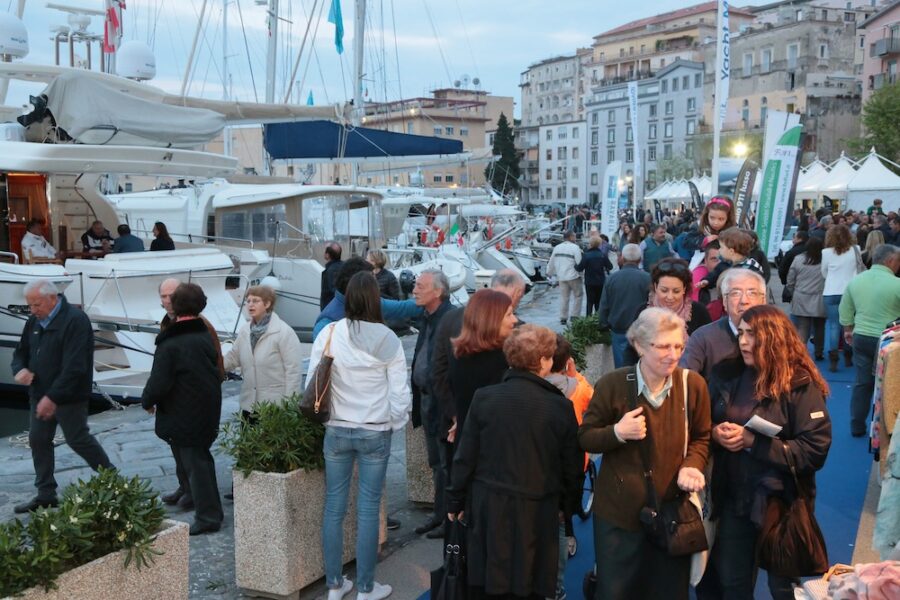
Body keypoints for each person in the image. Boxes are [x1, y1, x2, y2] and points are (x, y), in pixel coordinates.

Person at [578, 308, 711, 600]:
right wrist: (617, 433)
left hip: (672, 513)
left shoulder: (693, 385)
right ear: (639, 345)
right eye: (663, 346)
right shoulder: (612, 384)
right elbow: (585, 437)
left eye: (678, 346)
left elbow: (702, 437)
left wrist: (693, 465)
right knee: (616, 591)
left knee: (668, 592)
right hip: (618, 515)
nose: (672, 354)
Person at [447, 325, 583, 600]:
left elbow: (466, 456)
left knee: (489, 583)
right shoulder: (559, 407)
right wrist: (567, 509)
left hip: (489, 507)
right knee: (530, 584)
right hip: (538, 510)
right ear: (545, 361)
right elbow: (572, 466)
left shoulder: (484, 398)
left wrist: (455, 501)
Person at [705, 305, 831, 599]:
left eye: (753, 335)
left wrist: (754, 442)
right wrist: (715, 432)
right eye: (742, 334)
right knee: (732, 582)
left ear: (773, 338)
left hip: (782, 502)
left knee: (783, 587)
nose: (744, 342)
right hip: (734, 497)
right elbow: (702, 422)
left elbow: (815, 450)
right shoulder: (725, 372)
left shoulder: (799, 384)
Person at [306, 272, 411, 600]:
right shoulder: (388, 339)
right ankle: (366, 589)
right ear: (375, 299)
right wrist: (394, 422)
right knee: (367, 508)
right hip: (374, 431)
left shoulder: (329, 333)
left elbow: (311, 381)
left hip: (336, 429)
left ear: (348, 298)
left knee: (333, 507)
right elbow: (400, 395)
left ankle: (335, 586)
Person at [11, 280, 115, 513]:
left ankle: (112, 479)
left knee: (78, 438)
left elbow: (75, 366)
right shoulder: (33, 322)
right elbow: (21, 353)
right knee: (38, 440)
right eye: (30, 305)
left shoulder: (75, 321)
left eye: (36, 304)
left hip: (69, 396)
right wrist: (19, 369)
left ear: (52, 298)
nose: (32, 310)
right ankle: (45, 493)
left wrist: (53, 398)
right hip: (39, 393)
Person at [141, 283, 224, 536]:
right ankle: (208, 510)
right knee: (200, 462)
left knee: (196, 465)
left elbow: (159, 380)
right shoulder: (202, 335)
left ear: (176, 306)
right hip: (205, 408)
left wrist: (147, 400)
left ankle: (208, 517)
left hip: (184, 412)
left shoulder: (172, 342)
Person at [431, 268, 526, 445]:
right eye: (509, 314)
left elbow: (438, 372)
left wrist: (455, 415)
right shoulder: (519, 333)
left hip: (458, 426)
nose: (513, 319)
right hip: (496, 436)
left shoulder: (450, 319)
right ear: (518, 292)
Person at [546, 335, 594, 600]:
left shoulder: (538, 387)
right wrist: (577, 375)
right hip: (575, 458)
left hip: (545, 460)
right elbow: (593, 399)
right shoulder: (577, 387)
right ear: (567, 363)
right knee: (566, 512)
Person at [408, 270, 455, 538]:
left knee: (447, 464)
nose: (414, 289)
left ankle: (449, 520)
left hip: (443, 404)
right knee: (436, 463)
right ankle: (439, 515)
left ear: (437, 291)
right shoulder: (426, 317)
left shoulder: (450, 318)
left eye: (420, 285)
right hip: (426, 400)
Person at [839, 244, 900, 437]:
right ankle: (885, 429)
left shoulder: (856, 281)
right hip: (888, 341)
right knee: (889, 385)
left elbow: (845, 309)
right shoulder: (896, 284)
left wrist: (848, 328)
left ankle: (857, 424)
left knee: (862, 383)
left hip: (862, 336)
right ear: (890, 261)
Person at [447, 289, 519, 444]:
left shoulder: (460, 353)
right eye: (509, 314)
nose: (515, 319)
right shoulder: (501, 361)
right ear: (492, 319)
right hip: (491, 448)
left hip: (467, 441)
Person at [224, 285, 302, 417]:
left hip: (274, 407)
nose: (250, 305)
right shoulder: (245, 330)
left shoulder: (284, 332)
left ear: (267, 304)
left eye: (255, 301)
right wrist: (211, 366)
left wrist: (289, 405)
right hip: (249, 406)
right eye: (248, 301)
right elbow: (233, 358)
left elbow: (293, 371)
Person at [681, 268, 767, 380]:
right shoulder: (703, 338)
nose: (744, 300)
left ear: (763, 300)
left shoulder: (777, 335)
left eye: (752, 293)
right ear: (724, 302)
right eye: (735, 293)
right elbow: (684, 379)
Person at [313, 258, 423, 340]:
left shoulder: (370, 303)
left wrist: (432, 298)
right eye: (372, 283)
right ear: (358, 286)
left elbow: (405, 307)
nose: (377, 287)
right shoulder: (326, 323)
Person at [599, 243, 651, 367]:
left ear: (622, 258)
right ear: (640, 259)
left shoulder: (612, 278)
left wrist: (604, 324)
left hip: (619, 328)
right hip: (642, 329)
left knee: (622, 368)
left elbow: (604, 305)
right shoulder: (648, 278)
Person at [821, 224, 860, 372]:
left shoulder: (826, 252)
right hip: (849, 291)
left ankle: (833, 358)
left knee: (833, 326)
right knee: (849, 324)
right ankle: (848, 354)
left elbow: (824, 273)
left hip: (830, 291)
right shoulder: (855, 250)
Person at [786, 236, 827, 360]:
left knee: (803, 327)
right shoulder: (825, 261)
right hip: (820, 297)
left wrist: (792, 290)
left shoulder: (798, 260)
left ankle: (801, 353)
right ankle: (819, 352)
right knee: (820, 327)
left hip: (801, 296)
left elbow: (790, 278)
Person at [698, 227, 765, 291]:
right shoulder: (725, 264)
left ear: (731, 251)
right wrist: (707, 281)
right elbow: (715, 274)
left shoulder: (749, 268)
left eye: (721, 247)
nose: (719, 250)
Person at [547, 230, 583, 325]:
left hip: (561, 277)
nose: (575, 238)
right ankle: (575, 316)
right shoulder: (575, 247)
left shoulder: (557, 247)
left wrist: (549, 272)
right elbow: (579, 262)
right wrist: (582, 274)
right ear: (570, 237)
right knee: (578, 296)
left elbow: (551, 261)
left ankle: (563, 317)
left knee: (564, 297)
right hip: (574, 276)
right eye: (574, 236)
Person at [576, 235, 613, 317]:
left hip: (589, 281)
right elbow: (610, 266)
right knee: (598, 302)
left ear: (590, 244)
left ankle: (588, 319)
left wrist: (575, 265)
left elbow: (580, 268)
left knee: (589, 302)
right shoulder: (602, 255)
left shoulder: (586, 255)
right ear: (599, 244)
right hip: (600, 281)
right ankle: (598, 319)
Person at [320, 241, 344, 310]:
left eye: (325, 251)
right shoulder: (344, 266)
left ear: (327, 255)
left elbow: (336, 291)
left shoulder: (331, 270)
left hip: (331, 311)